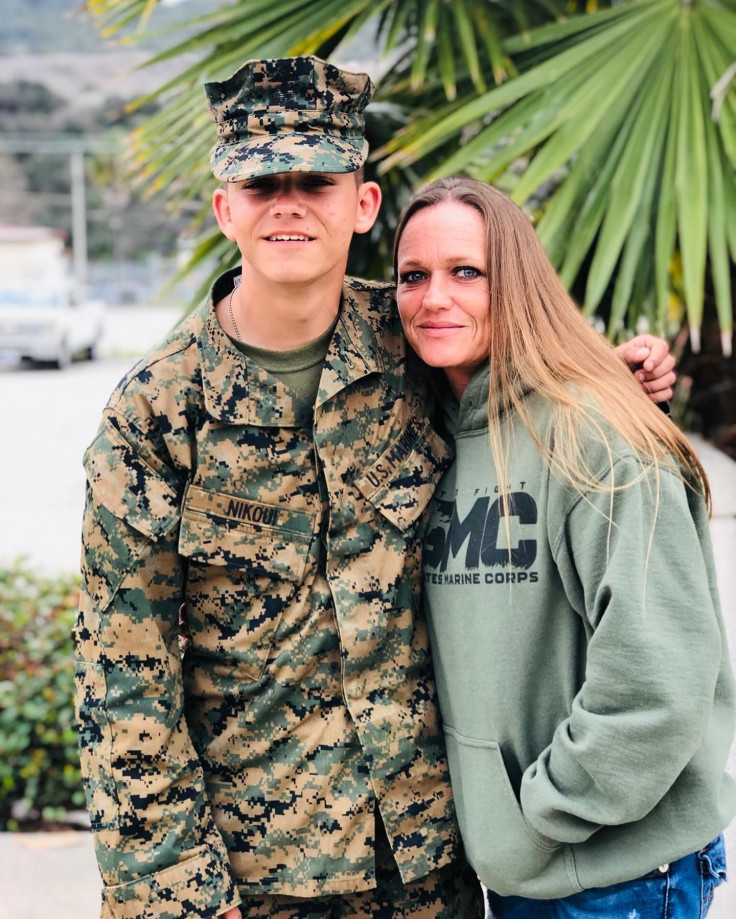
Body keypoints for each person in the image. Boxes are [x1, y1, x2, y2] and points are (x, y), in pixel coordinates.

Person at [73, 57, 675, 919]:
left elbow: (537, 389)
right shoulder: (157, 415)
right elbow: (122, 682)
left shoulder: (419, 347)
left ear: (361, 206)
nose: (288, 200)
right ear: (224, 209)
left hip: (431, 867)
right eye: (260, 180)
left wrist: (623, 376)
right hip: (255, 882)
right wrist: (177, 898)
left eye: (316, 179)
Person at [393, 176, 736, 918]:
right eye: (413, 275)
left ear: (515, 281)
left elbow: (658, 685)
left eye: (466, 272)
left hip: (620, 874)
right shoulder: (435, 437)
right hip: (527, 872)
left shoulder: (600, 438)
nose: (434, 298)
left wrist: (537, 814)